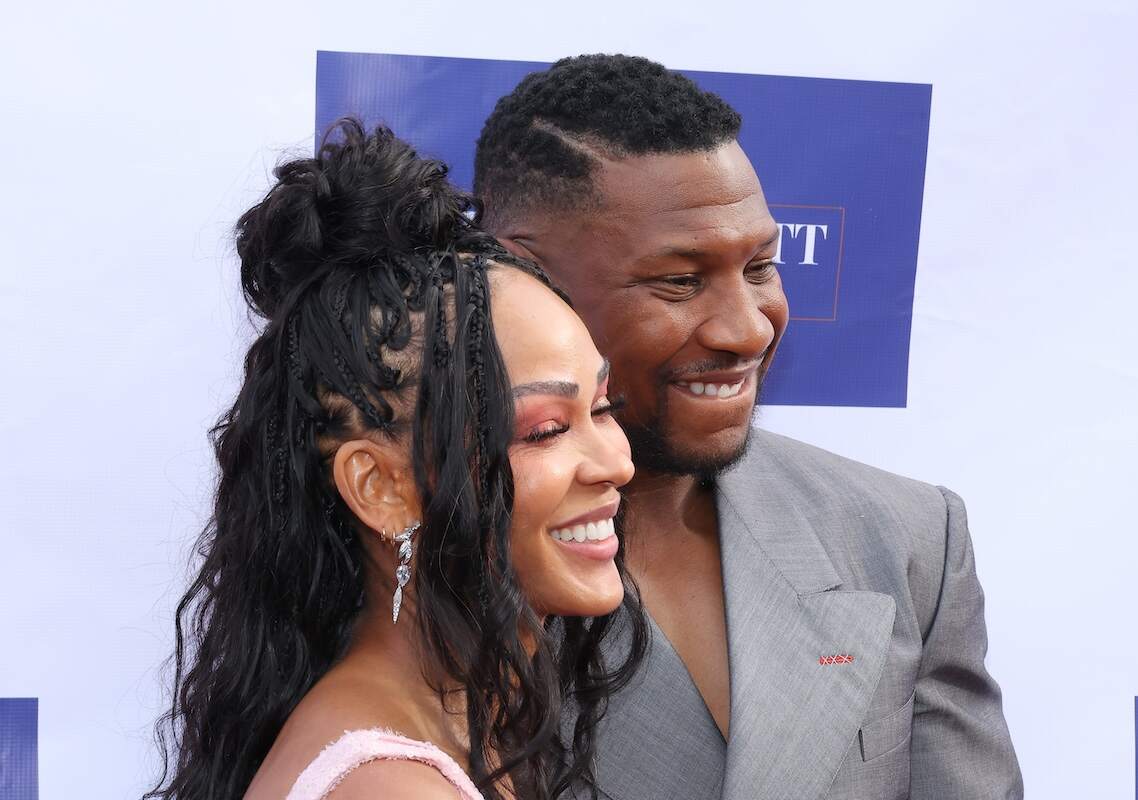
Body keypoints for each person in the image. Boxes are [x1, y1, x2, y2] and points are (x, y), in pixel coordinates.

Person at [474, 55, 1023, 799]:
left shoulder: (906, 539)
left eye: (761, 266)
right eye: (679, 280)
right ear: (521, 277)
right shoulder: (423, 564)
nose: (746, 329)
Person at [146, 120, 648, 800]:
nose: (615, 462)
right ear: (380, 486)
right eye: (547, 429)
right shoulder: (391, 786)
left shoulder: (448, 729)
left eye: (604, 407)